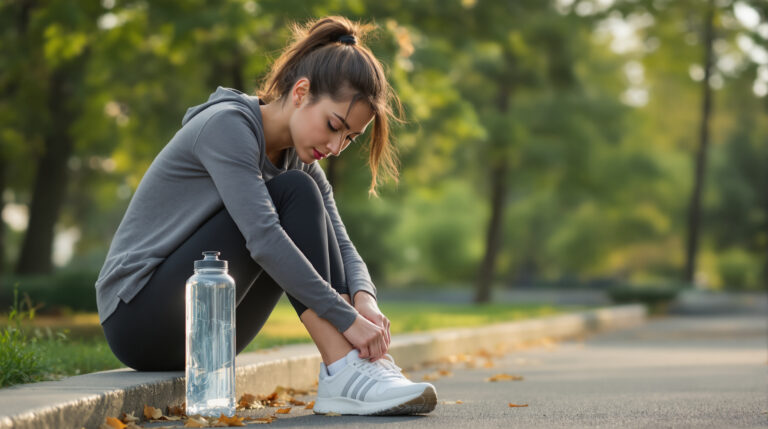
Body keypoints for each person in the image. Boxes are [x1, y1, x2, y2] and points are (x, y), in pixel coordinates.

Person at [95, 16, 437, 415]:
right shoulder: (227, 126)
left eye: (349, 138)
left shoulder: (302, 159)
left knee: (299, 195)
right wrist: (346, 319)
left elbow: (342, 243)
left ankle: (353, 367)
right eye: (333, 126)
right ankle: (345, 368)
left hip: (212, 332)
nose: (337, 145)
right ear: (301, 91)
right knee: (292, 197)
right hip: (138, 319)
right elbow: (263, 239)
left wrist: (366, 301)